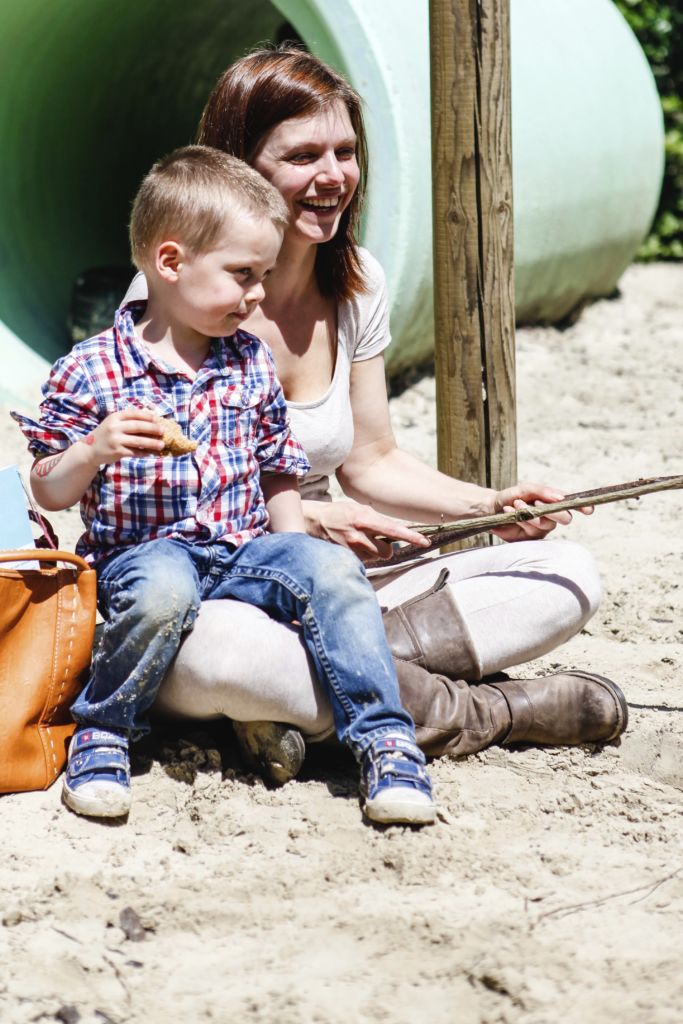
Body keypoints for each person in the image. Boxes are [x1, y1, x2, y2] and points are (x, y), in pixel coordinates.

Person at [126, 46, 627, 783]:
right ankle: (490, 714)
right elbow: (160, 494)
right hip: (217, 581)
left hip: (336, 577)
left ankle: (308, 701)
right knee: (220, 655)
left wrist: (489, 504)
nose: (333, 176)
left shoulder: (358, 282)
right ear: (239, 166)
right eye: (302, 155)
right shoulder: (173, 298)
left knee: (567, 575)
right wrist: (311, 522)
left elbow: (369, 462)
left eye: (345, 152)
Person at [12, 146, 437, 827]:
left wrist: (303, 563)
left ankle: (385, 742)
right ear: (171, 262)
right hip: (143, 552)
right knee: (162, 591)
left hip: (244, 549)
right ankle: (105, 729)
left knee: (330, 569)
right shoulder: (89, 370)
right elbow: (48, 491)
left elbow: (276, 469)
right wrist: (94, 449)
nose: (258, 295)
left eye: (263, 276)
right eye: (243, 275)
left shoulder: (248, 362)